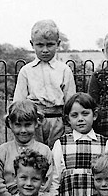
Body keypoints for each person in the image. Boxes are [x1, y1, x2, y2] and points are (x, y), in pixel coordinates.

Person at [13, 19, 77, 149]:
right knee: (33, 155)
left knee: (56, 155)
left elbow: (70, 101)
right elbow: (18, 102)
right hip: (33, 122)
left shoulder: (64, 70)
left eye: (50, 45)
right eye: (40, 45)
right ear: (32, 44)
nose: (45, 50)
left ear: (58, 44)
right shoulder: (26, 71)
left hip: (58, 121)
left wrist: (69, 127)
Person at [51, 92, 108, 196]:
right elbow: (55, 179)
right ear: (68, 119)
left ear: (94, 115)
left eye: (85, 114)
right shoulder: (61, 144)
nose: (80, 119)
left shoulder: (105, 144)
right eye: (74, 115)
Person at [0, 99, 57, 196]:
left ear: (36, 123)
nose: (23, 130)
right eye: (18, 125)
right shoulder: (3, 151)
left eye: (28, 125)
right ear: (10, 124)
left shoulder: (44, 150)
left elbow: (48, 179)